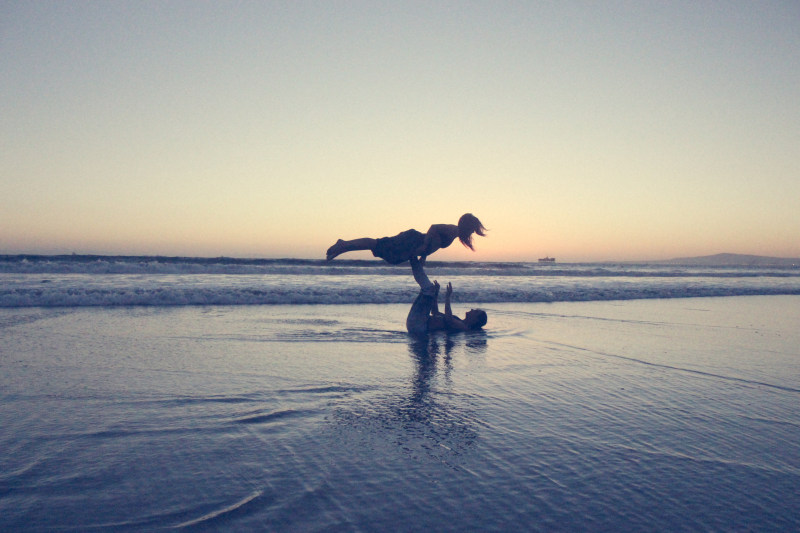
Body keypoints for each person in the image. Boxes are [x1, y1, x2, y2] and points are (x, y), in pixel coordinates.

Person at [326, 213, 487, 264]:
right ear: (467, 225)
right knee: (377, 245)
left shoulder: (455, 233)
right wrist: (423, 247)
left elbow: (435, 242)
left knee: (382, 249)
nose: (473, 232)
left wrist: (423, 255)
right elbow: (433, 227)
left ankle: (343, 247)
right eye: (473, 229)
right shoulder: (454, 230)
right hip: (413, 240)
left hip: (414, 246)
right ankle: (344, 244)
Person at [406, 256, 488, 336]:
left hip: (419, 326)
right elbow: (435, 312)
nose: (472, 309)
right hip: (418, 322)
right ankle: (415, 260)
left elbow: (449, 320)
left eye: (476, 311)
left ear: (475, 320)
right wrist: (436, 293)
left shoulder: (464, 327)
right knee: (429, 290)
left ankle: (415, 258)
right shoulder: (457, 319)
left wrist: (448, 296)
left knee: (429, 289)